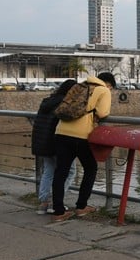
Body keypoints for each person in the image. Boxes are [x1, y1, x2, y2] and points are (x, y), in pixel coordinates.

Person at [50, 72, 116, 222]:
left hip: (61, 132)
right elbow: (103, 112)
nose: (110, 90)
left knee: (61, 172)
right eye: (111, 87)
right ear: (108, 83)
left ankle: (58, 212)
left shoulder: (79, 86)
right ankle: (81, 207)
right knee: (90, 168)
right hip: (81, 135)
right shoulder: (103, 90)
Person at [30, 79, 77, 214]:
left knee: (49, 171)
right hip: (58, 141)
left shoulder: (48, 101)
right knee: (70, 171)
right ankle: (54, 201)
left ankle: (44, 203)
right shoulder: (65, 104)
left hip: (43, 141)